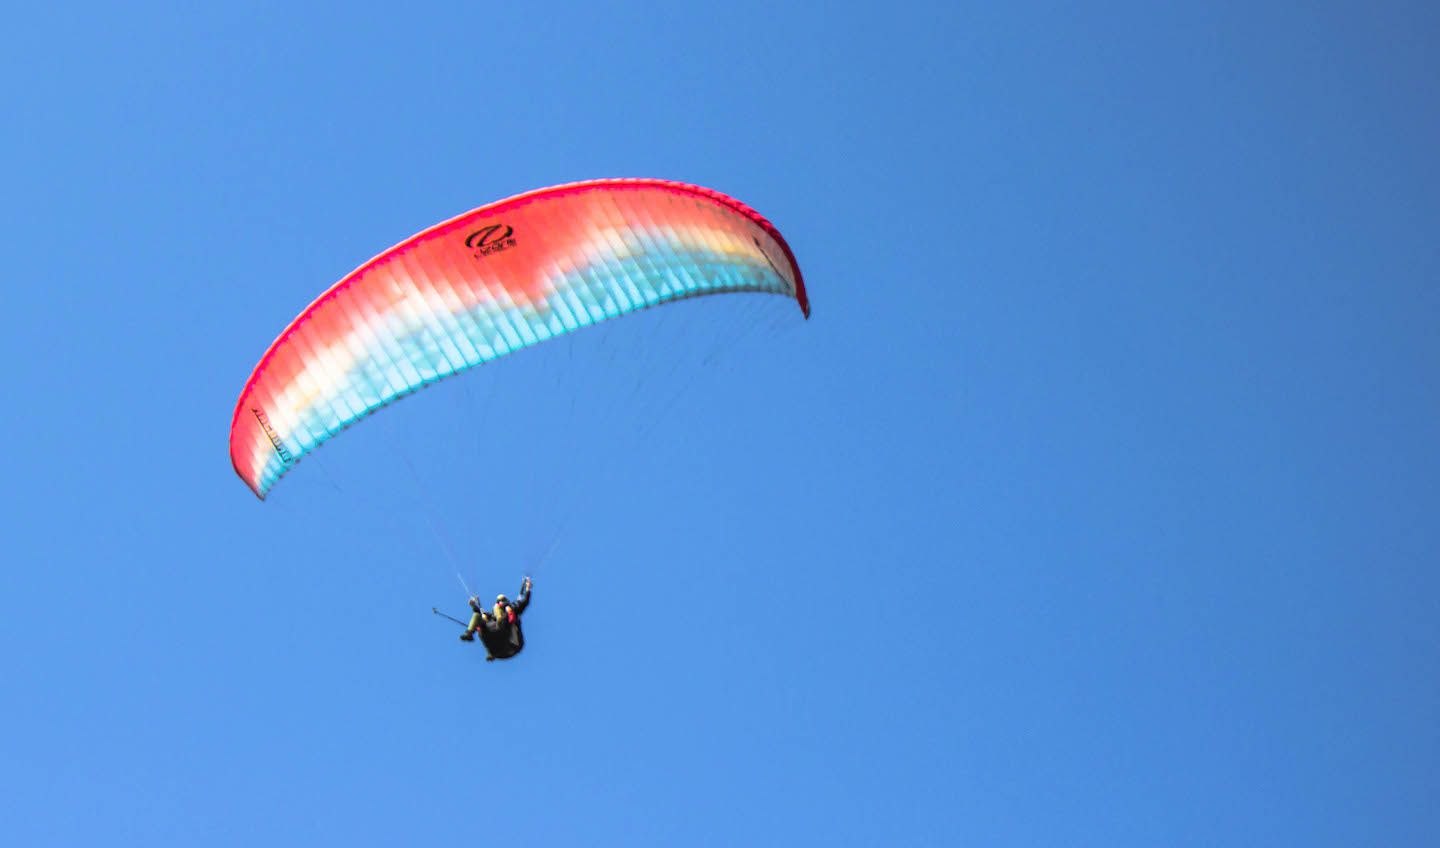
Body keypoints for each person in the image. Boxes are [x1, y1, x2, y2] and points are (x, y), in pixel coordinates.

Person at [460, 576, 532, 661]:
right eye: (499, 601)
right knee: (480, 618)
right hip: (497, 649)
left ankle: (500, 624)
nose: (500, 603)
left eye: (502, 601)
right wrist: (474, 605)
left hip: (511, 645)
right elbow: (479, 615)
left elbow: (524, 602)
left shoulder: (511, 610)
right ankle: (469, 633)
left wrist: (527, 589)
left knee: (495, 618)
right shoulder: (490, 617)